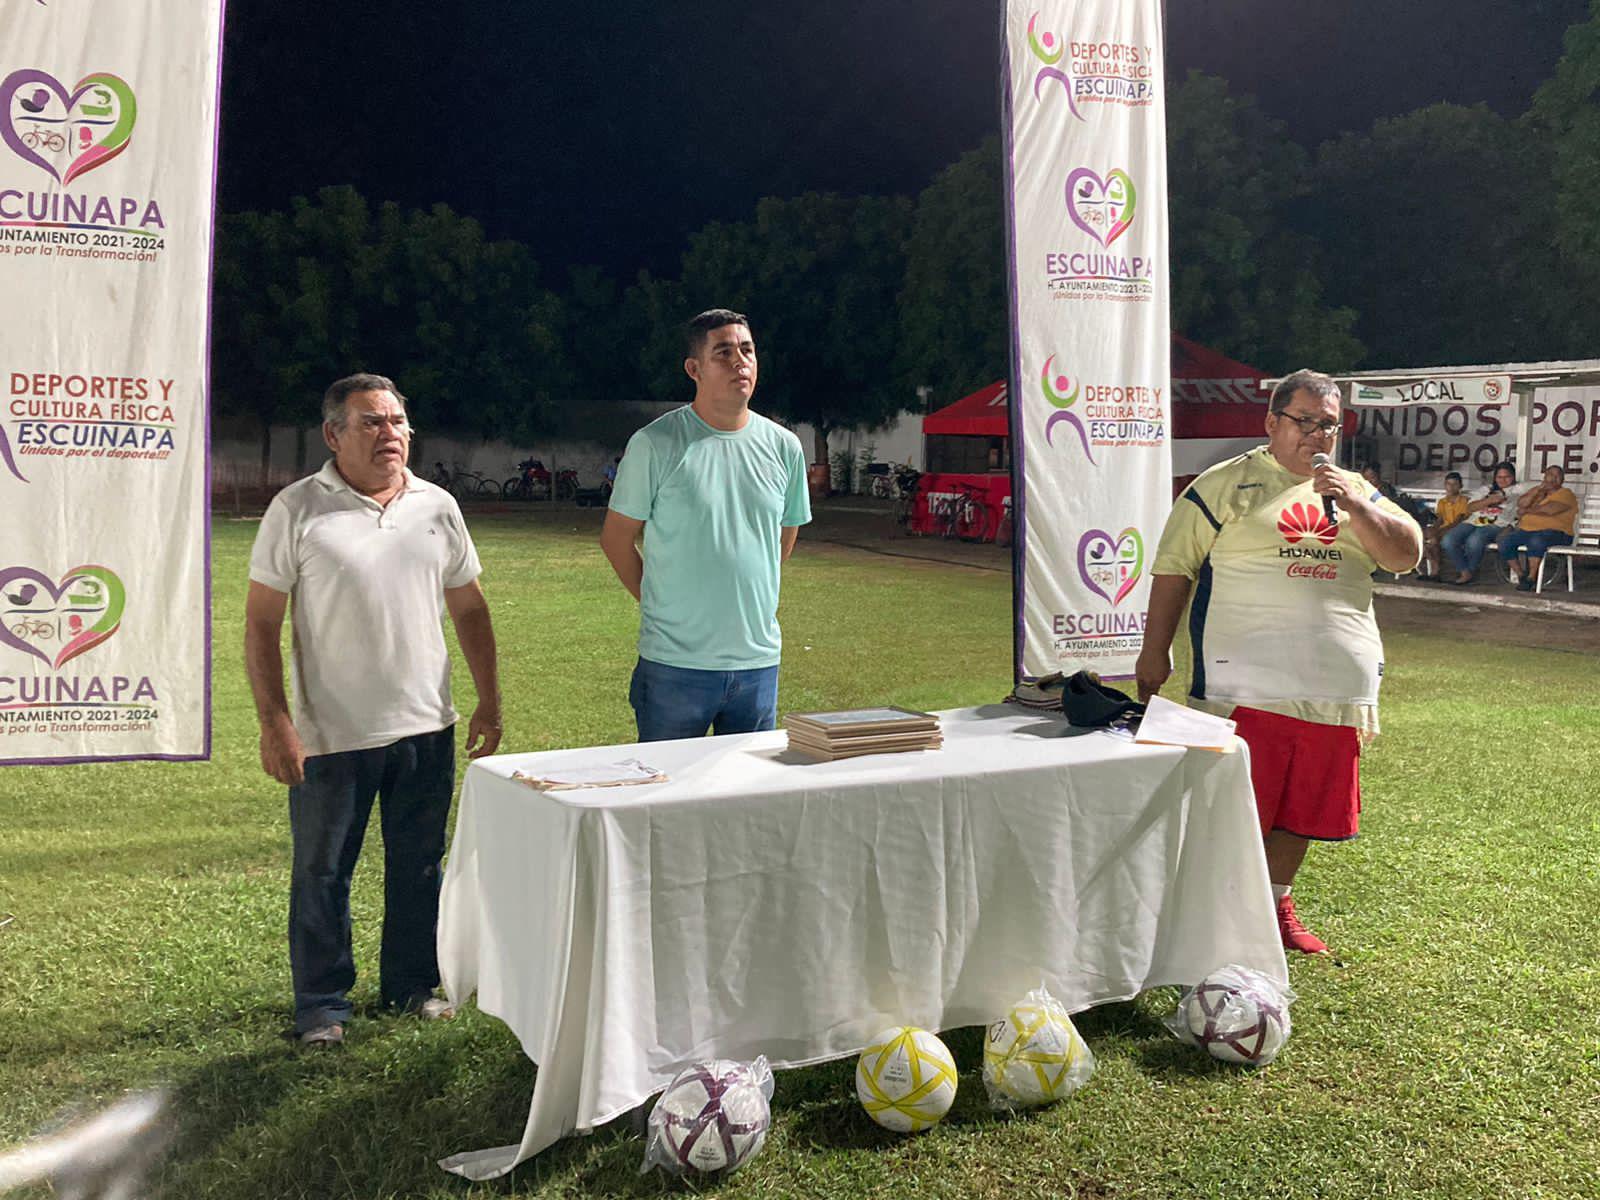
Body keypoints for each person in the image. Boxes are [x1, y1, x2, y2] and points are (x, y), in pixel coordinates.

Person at [244, 373, 502, 1046]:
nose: (391, 433)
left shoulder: (437, 506)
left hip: (427, 724)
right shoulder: (298, 509)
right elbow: (261, 623)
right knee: (323, 872)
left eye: (397, 421)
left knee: (419, 866)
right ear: (333, 435)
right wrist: (276, 722)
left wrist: (489, 699)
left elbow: (469, 607)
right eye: (372, 422)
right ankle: (322, 1007)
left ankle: (410, 986)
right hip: (331, 734)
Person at [1135, 368, 1422, 955]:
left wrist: (1354, 504)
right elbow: (1174, 568)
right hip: (1243, 686)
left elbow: (1405, 555)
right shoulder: (1224, 484)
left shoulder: (1355, 491)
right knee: (1232, 807)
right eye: (1305, 421)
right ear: (1272, 422)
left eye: (1329, 425)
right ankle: (1209, 915)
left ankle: (1273, 906)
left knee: (1302, 809)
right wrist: (1154, 649)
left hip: (1334, 690)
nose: (1317, 435)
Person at [600, 309, 811, 741]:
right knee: (666, 783)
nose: (740, 362)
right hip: (675, 666)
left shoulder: (784, 447)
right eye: (724, 352)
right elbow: (616, 539)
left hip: (756, 664)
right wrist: (660, 601)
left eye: (747, 350)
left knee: (748, 785)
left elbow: (783, 540)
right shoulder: (656, 444)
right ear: (694, 369)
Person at [1440, 462, 1529, 585]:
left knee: (1474, 540)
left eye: (1507, 477)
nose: (1503, 480)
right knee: (1448, 540)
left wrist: (1504, 494)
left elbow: (1536, 486)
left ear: (1513, 477)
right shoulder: (1486, 489)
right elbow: (1470, 508)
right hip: (1473, 521)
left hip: (1498, 524)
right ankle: (1465, 571)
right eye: (1499, 477)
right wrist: (1488, 500)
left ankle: (1470, 572)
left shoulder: (1519, 489)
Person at [1497, 465, 1577, 591]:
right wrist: (1538, 489)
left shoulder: (1566, 493)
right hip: (1527, 531)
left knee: (1536, 540)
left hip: (1558, 533)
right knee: (1504, 541)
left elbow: (1550, 509)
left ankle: (1531, 577)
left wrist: (1527, 511)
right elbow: (1521, 503)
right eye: (1550, 475)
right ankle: (1521, 576)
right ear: (1544, 477)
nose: (1553, 478)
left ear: (1562, 480)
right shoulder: (1538, 492)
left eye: (1557, 476)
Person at [1420, 471, 1469, 580]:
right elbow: (1440, 519)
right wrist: (1433, 529)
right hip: (1443, 529)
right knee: (1424, 535)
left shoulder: (1464, 501)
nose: (1451, 487)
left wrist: (1440, 531)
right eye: (1448, 484)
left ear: (1460, 486)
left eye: (1455, 484)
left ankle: (1435, 571)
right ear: (1445, 485)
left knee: (1434, 540)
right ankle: (1431, 568)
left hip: (1456, 529)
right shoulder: (1442, 502)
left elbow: (1458, 521)